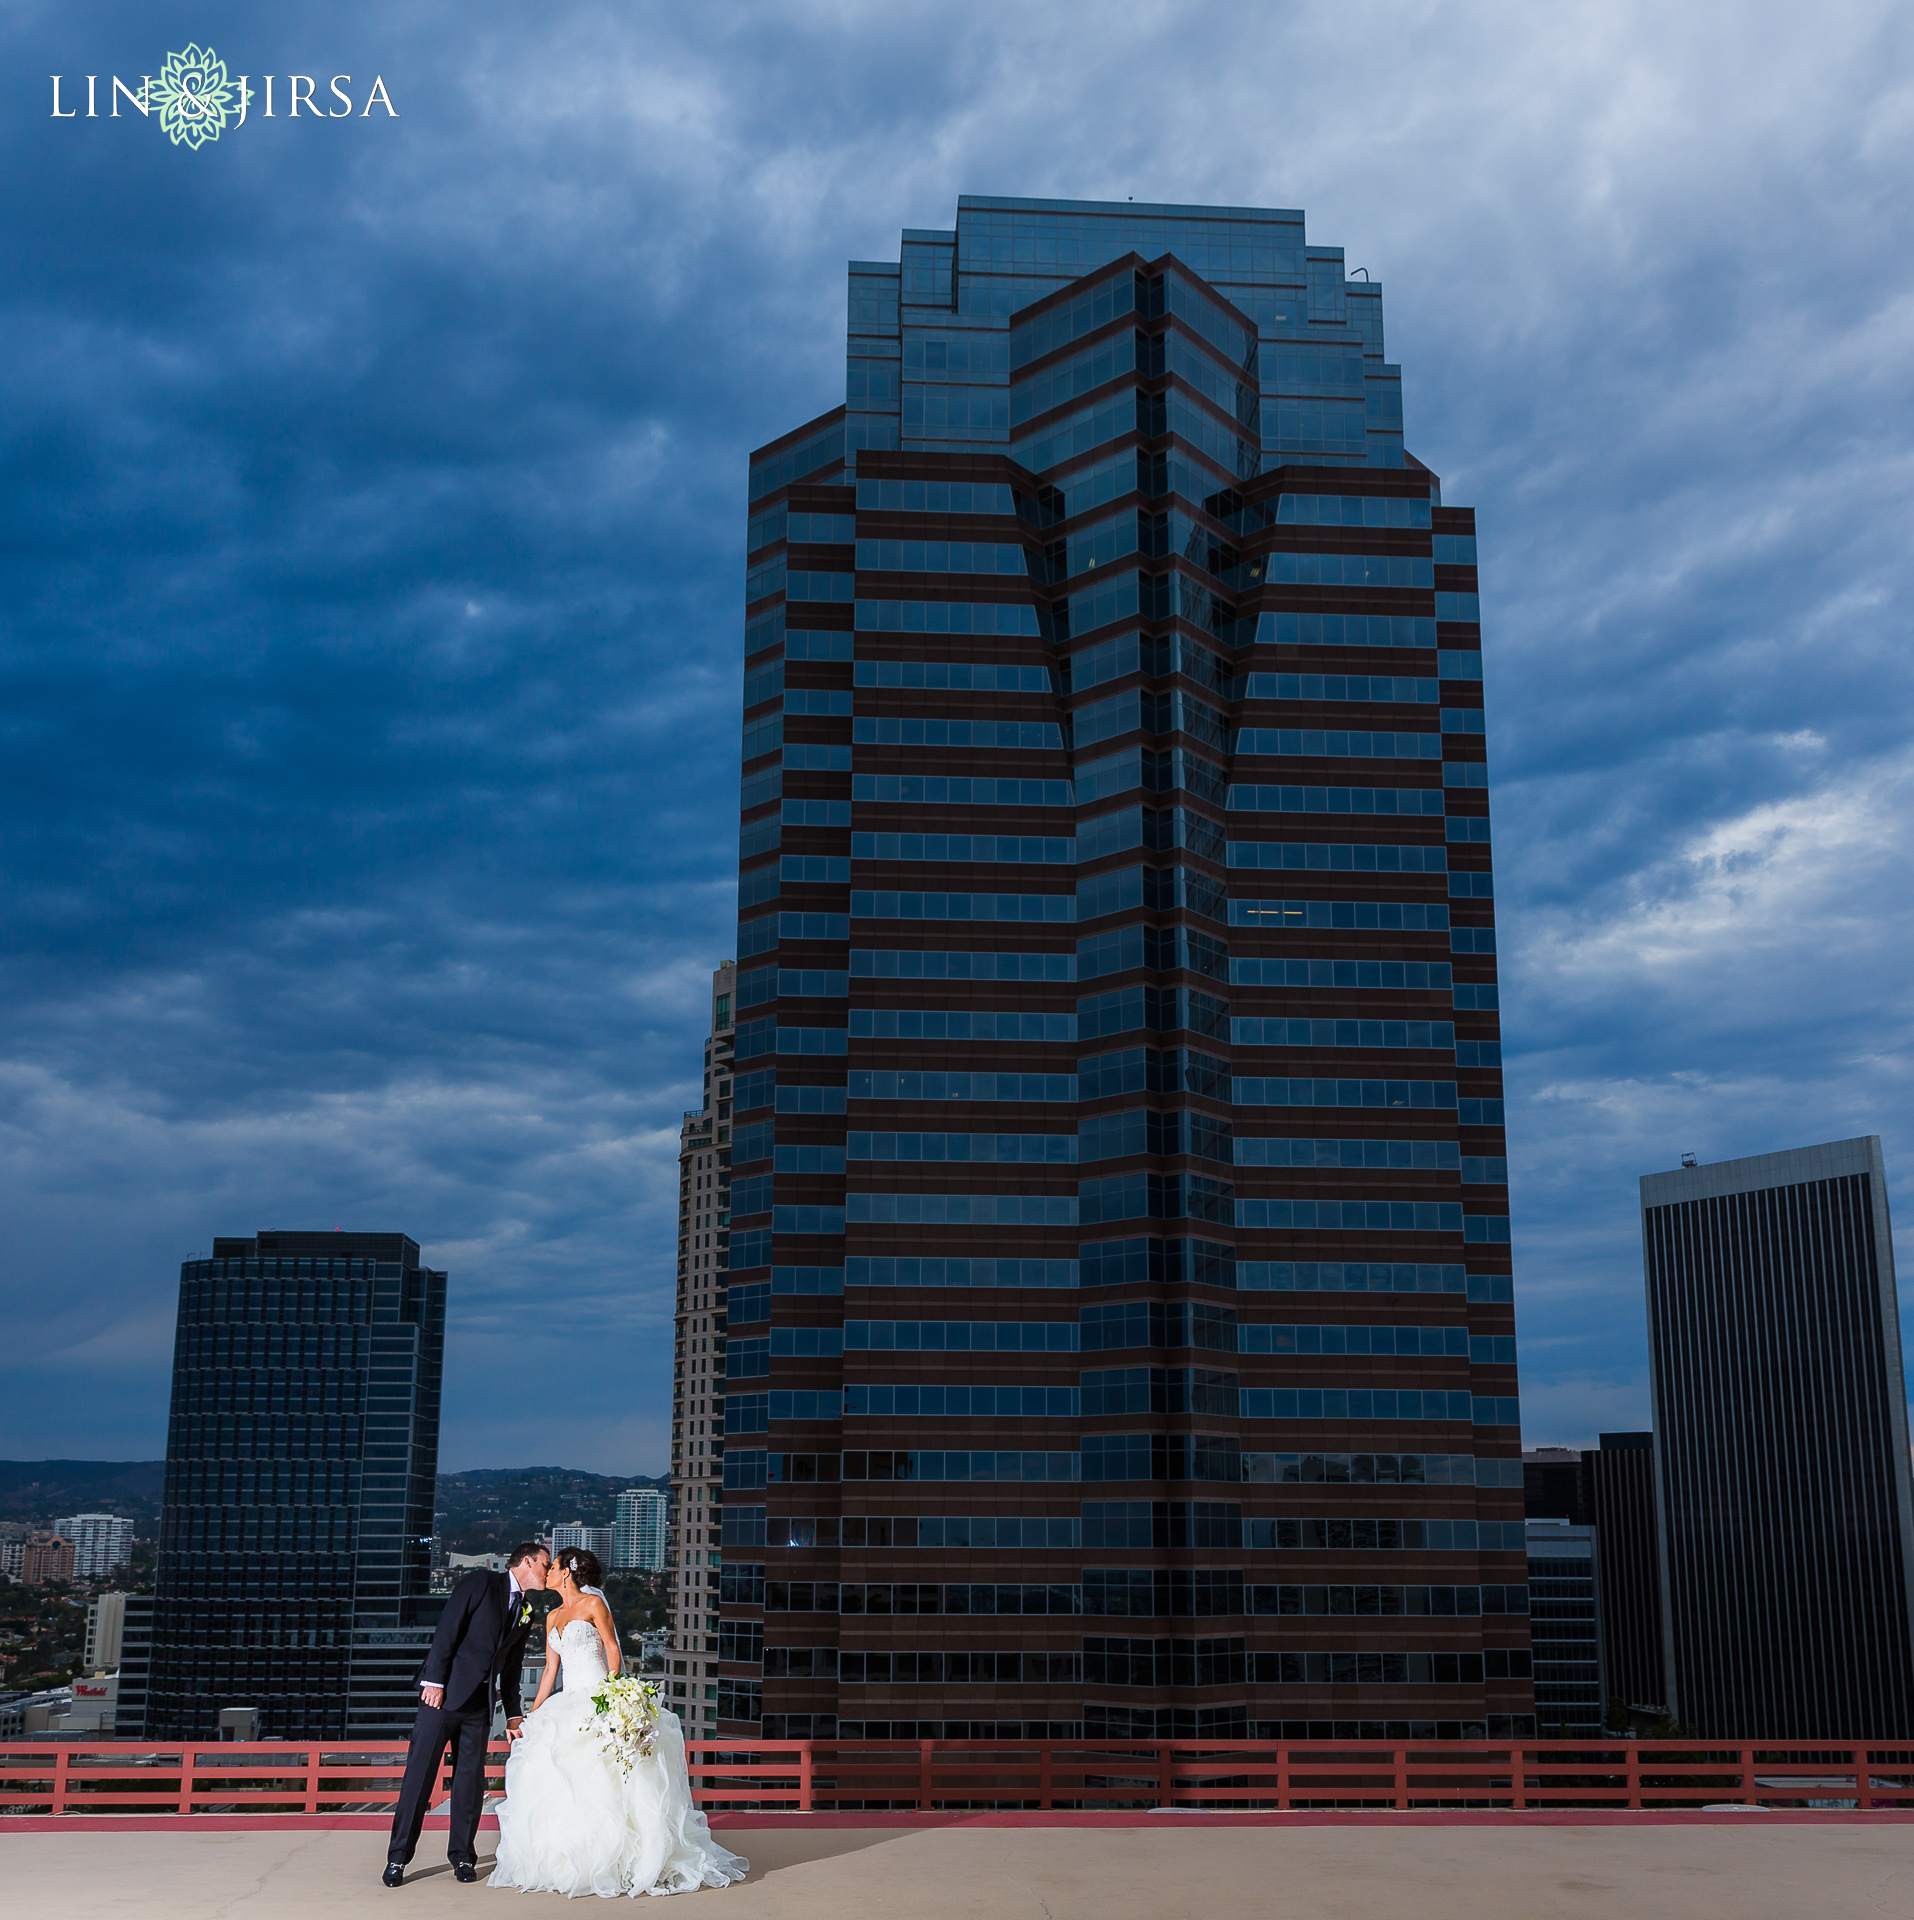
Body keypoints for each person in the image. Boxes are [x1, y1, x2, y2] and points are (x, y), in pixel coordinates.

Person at [489, 1547, 748, 1897]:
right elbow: (550, 1671)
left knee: (610, 1783)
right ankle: (574, 1859)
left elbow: (613, 1649)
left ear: (567, 1572)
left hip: (599, 1695)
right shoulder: (551, 1617)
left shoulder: (594, 1605)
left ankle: (622, 1860)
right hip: (567, 1703)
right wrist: (534, 1713)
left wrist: (612, 1696)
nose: (547, 1572)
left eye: (553, 1567)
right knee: (565, 1781)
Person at [384, 1540, 551, 1888]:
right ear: (527, 1561)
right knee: (419, 1777)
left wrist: (514, 1713)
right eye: (545, 1565)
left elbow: (513, 1667)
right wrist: (434, 1681)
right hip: (441, 1698)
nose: (547, 1572)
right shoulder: (481, 1583)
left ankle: (462, 1855)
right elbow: (448, 1629)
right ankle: (398, 1858)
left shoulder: (527, 1610)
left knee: (469, 1785)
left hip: (479, 1707)